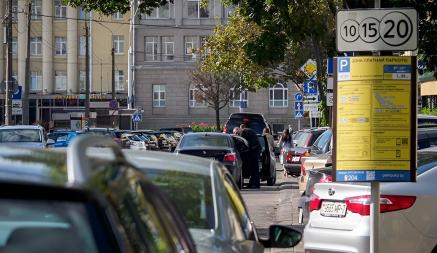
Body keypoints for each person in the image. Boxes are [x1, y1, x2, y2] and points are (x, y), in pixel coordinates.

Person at [239, 124, 262, 189]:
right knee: (255, 169)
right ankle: (254, 184)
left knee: (253, 169)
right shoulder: (251, 131)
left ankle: (254, 184)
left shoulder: (243, 132)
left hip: (252, 151)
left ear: (241, 128)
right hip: (256, 150)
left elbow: (242, 142)